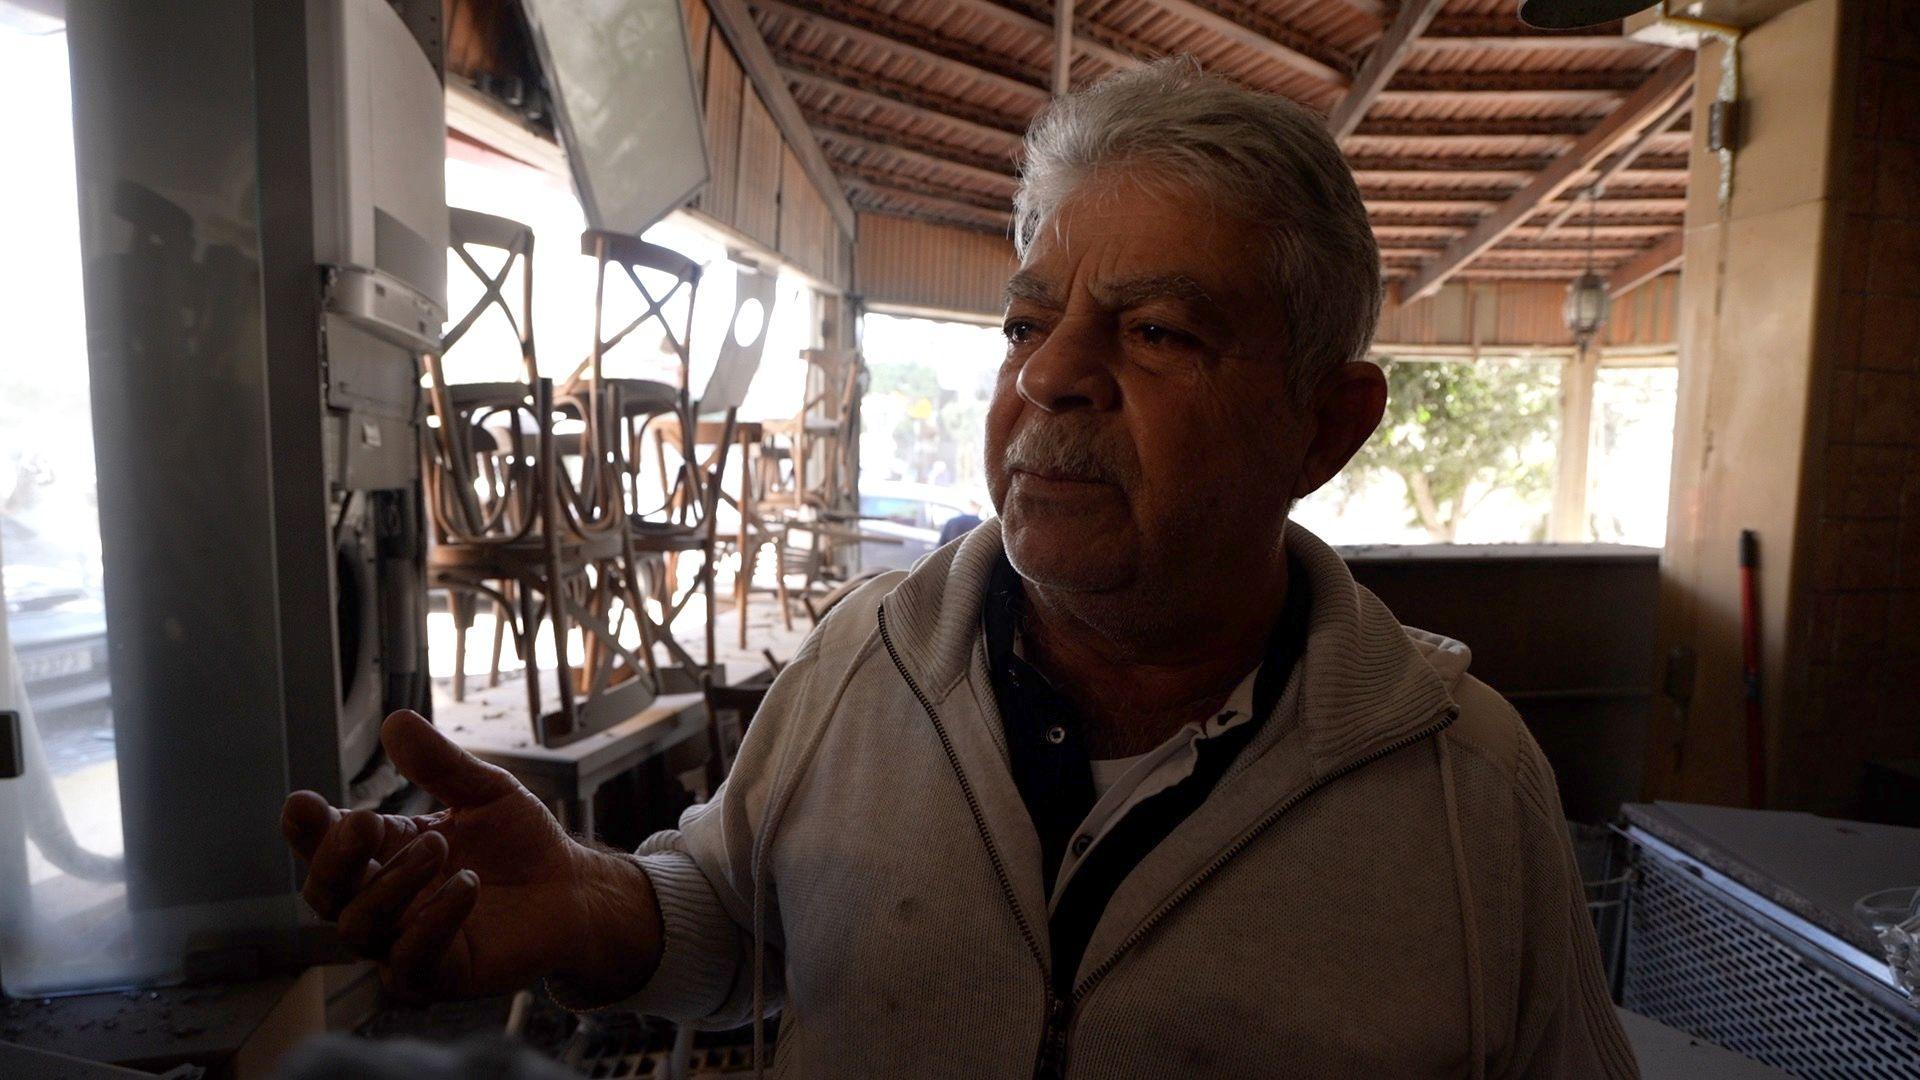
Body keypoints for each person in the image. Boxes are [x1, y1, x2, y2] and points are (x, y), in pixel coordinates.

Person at [282, 58, 1637, 1078]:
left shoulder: (1463, 785)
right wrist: (591, 901)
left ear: (1325, 427)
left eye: (1158, 331)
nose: (1050, 374)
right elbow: (735, 916)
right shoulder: (865, 658)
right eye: (1030, 319)